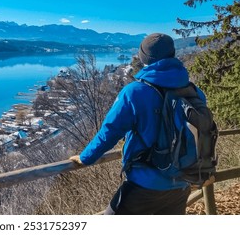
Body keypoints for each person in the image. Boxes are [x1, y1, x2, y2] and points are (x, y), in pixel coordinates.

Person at [70, 33, 204, 215]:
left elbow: (109, 132)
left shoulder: (135, 92)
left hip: (145, 184)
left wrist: (86, 158)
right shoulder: (194, 92)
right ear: (173, 54)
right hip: (181, 182)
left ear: (143, 58)